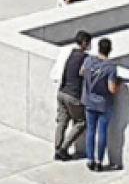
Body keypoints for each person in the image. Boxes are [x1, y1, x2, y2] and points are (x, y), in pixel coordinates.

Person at [80, 37, 121, 172]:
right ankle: (99, 162)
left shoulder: (88, 60)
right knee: (102, 132)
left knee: (90, 130)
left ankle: (90, 159)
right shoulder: (110, 68)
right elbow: (112, 89)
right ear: (110, 50)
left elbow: (81, 72)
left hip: (89, 101)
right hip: (103, 104)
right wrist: (119, 83)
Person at [50, 31, 90, 162]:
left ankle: (57, 149)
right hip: (73, 95)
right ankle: (64, 148)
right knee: (81, 122)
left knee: (62, 121)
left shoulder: (68, 53)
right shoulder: (85, 58)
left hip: (61, 92)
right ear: (84, 43)